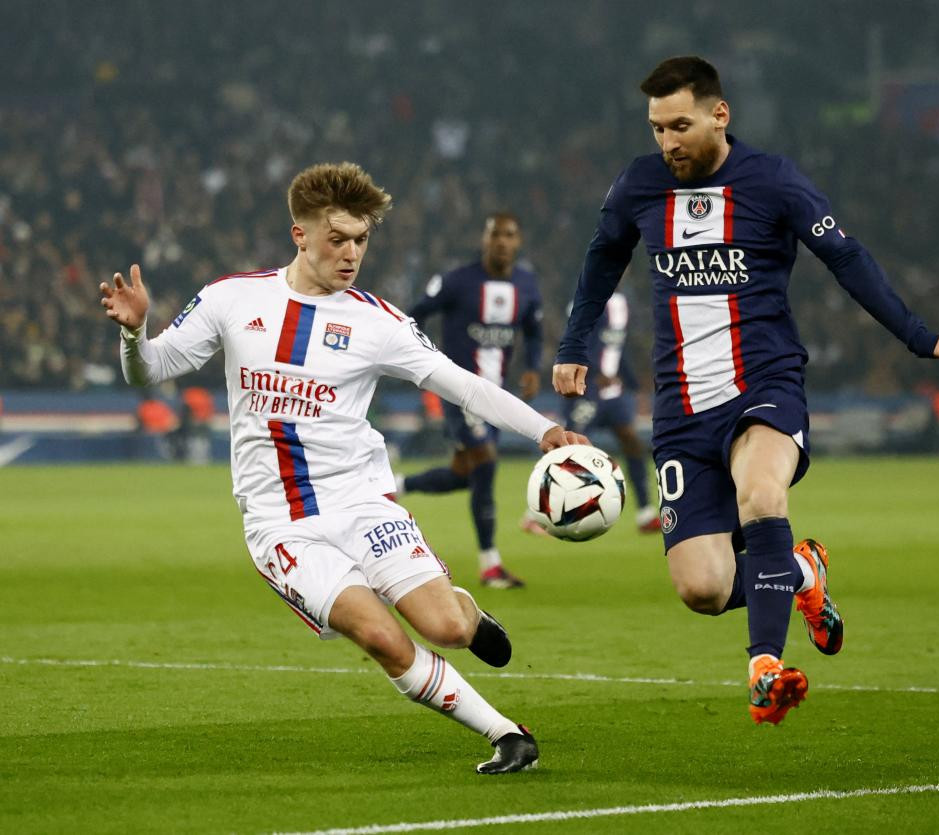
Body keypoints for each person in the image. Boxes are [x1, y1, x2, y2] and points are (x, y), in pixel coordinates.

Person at [100, 162, 588, 773]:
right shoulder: (232, 299)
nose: (352, 252)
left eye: (361, 239)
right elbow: (149, 370)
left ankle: (466, 610)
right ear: (299, 234)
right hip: (280, 523)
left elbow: (462, 384)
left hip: (360, 502)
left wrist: (544, 428)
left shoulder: (378, 322)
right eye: (338, 238)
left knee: (444, 628)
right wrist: (135, 331)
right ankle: (505, 735)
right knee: (380, 637)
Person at [553, 57, 939, 725]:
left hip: (764, 384)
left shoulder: (771, 179)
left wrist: (919, 336)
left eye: (680, 124)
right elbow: (602, 254)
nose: (667, 141)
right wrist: (573, 343)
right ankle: (801, 571)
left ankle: (764, 665)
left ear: (719, 114)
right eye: (656, 128)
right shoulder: (640, 185)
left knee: (761, 493)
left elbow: (846, 256)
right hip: (680, 407)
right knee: (702, 587)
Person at [399, 213, 543, 589]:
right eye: (494, 234)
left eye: (509, 235)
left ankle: (396, 485)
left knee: (465, 474)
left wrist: (531, 367)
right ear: (484, 239)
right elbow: (414, 315)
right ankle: (491, 565)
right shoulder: (457, 280)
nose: (501, 241)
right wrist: (422, 360)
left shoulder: (526, 284)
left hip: (497, 396)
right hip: (459, 391)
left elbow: (534, 328)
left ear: (518, 241)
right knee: (486, 462)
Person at [523, 290, 660, 536]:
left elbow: (618, 346)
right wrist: (595, 371)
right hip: (584, 389)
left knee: (631, 442)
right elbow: (577, 339)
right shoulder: (583, 299)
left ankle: (645, 513)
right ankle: (534, 514)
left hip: (613, 391)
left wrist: (632, 384)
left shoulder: (623, 303)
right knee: (566, 448)